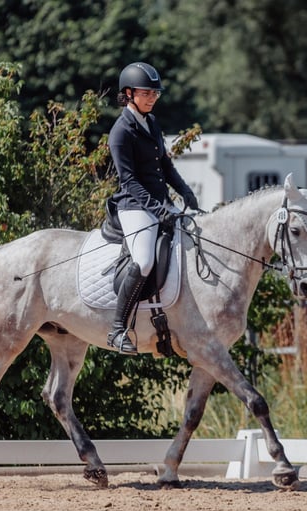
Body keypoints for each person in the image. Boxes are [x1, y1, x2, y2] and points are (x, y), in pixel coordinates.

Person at [106, 61, 199, 354]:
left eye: (155, 94)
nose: (152, 98)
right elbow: (128, 180)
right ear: (129, 93)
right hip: (134, 206)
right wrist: (157, 210)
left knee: (195, 239)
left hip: (159, 203)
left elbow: (165, 165)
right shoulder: (121, 131)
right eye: (147, 93)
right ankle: (117, 330)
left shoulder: (152, 122)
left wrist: (185, 192)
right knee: (144, 261)